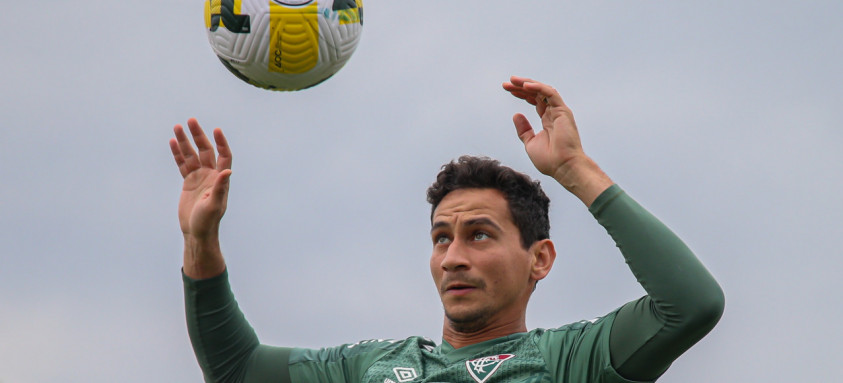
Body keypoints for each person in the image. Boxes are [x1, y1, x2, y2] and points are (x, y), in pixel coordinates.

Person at [169, 76, 724, 383]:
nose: (452, 256)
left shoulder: (569, 360)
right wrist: (201, 242)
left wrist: (575, 171)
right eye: (441, 238)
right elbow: (237, 369)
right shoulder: (373, 367)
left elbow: (691, 304)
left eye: (479, 235)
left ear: (540, 259)